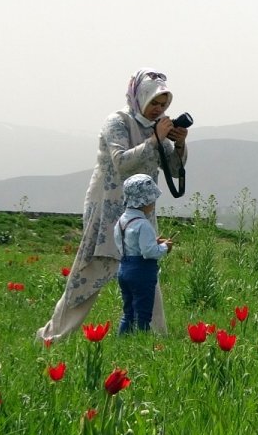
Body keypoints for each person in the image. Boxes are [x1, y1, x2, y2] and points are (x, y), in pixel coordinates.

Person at [36, 69, 188, 342]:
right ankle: (52, 337)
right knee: (87, 277)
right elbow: (121, 162)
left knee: (146, 272)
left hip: (142, 212)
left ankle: (153, 340)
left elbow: (175, 171)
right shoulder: (117, 122)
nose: (159, 109)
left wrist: (178, 145)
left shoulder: (158, 129)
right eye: (154, 102)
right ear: (139, 96)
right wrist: (154, 140)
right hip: (108, 211)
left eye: (163, 104)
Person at [115, 175, 174, 333]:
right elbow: (149, 252)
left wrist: (152, 241)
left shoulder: (122, 221)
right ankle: (140, 343)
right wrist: (164, 247)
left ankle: (122, 340)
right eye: (152, 200)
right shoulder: (143, 224)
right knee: (143, 314)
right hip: (141, 272)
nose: (153, 204)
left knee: (128, 313)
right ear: (143, 201)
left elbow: (128, 244)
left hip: (124, 268)